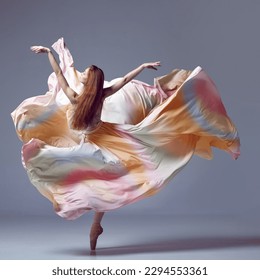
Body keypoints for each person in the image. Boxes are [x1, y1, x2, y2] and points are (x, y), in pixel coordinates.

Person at [11, 38, 240, 251]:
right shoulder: (96, 95)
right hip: (100, 138)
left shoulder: (82, 96)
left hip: (106, 139)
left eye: (85, 75)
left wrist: (49, 53)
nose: (80, 75)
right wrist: (141, 66)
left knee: (105, 178)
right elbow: (77, 76)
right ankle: (96, 223)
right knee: (99, 179)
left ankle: (95, 223)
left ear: (89, 82)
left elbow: (63, 74)